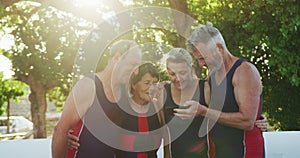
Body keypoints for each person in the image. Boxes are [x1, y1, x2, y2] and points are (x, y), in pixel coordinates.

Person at [176, 22, 265, 158]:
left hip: (246, 153)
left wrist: (204, 111)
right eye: (197, 60)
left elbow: (247, 121)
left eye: (203, 58)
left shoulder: (245, 71)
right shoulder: (211, 75)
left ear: (219, 49)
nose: (201, 64)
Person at [51, 40, 142, 158]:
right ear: (118, 57)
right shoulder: (88, 86)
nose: (136, 71)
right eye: (133, 64)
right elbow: (60, 131)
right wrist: (66, 137)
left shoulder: (125, 90)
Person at [115, 62, 170, 158]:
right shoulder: (121, 107)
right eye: (147, 83)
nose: (151, 88)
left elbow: (167, 137)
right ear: (134, 84)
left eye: (154, 83)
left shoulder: (157, 107)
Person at [162, 48, 209, 158]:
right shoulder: (163, 93)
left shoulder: (205, 88)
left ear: (192, 69)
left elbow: (222, 117)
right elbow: (164, 134)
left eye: (182, 73)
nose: (178, 78)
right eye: (172, 74)